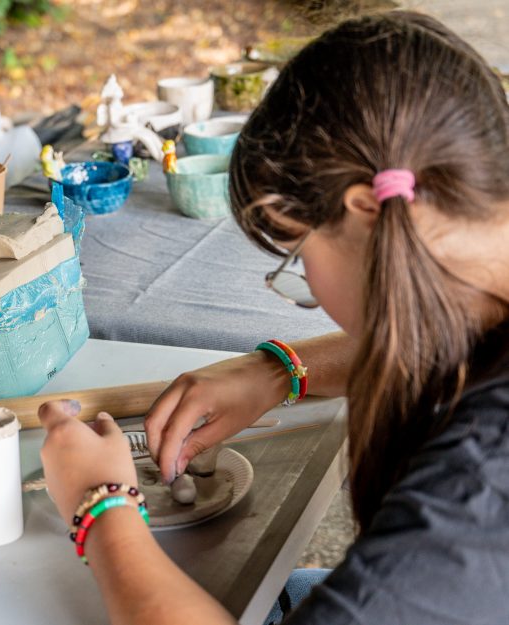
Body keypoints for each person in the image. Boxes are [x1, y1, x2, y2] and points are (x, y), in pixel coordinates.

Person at [38, 11, 509, 624]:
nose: (307, 281)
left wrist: (100, 509)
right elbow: (456, 328)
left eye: (298, 256)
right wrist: (281, 369)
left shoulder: (479, 485)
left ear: (369, 210)